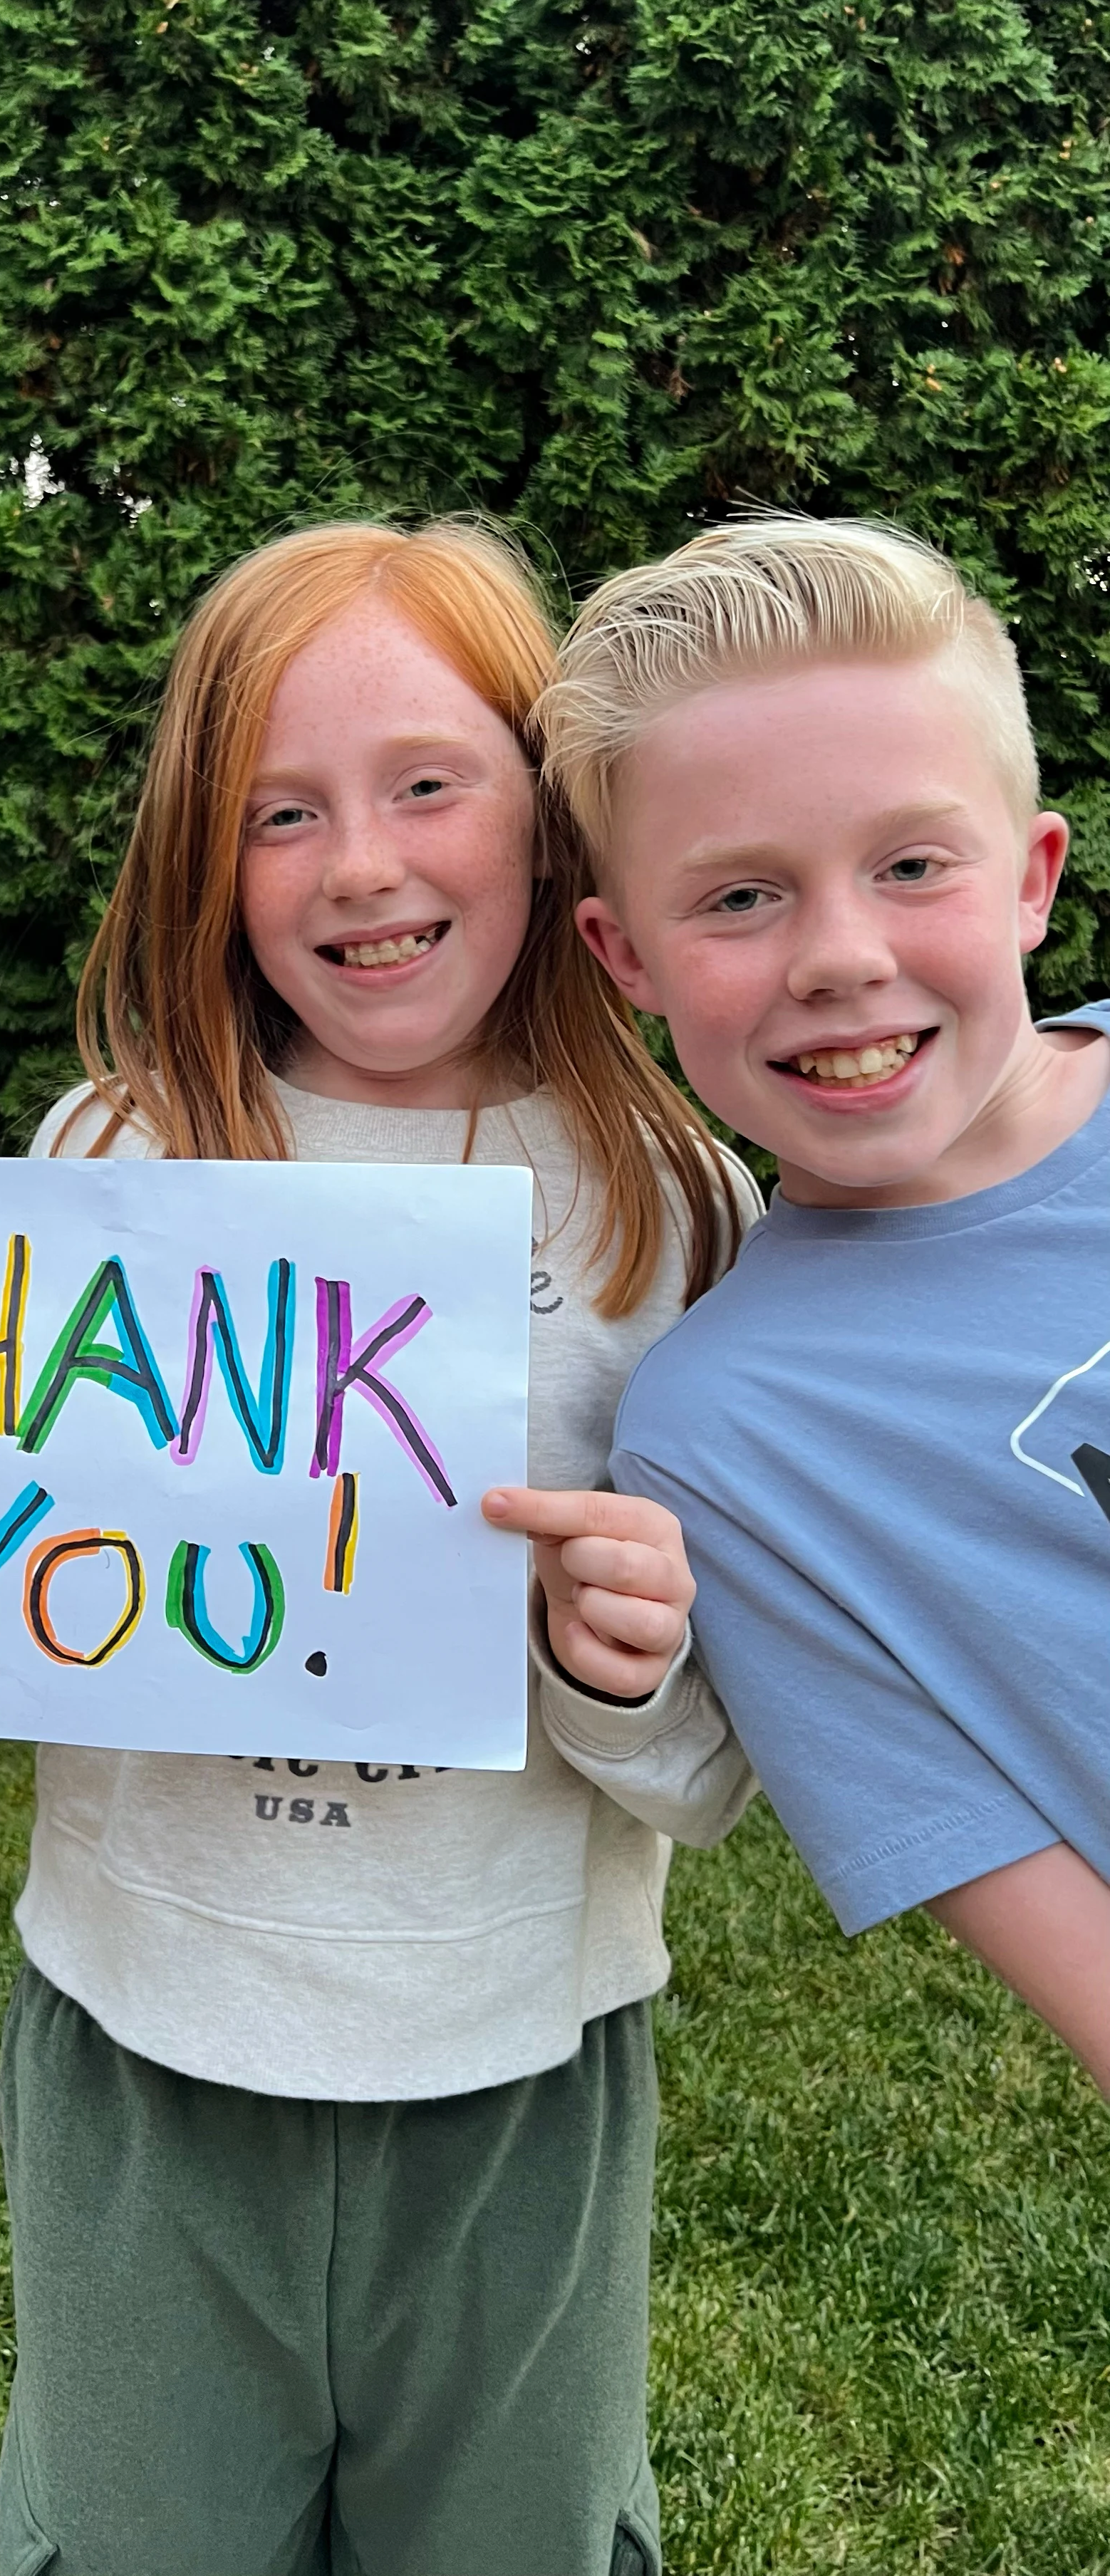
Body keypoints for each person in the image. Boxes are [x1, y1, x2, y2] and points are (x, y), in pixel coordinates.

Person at [0, 518, 760, 2576]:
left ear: (550, 818)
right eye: (281, 811)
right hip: (143, 2043)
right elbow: (16, 1581)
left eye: (428, 784)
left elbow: (709, 1776)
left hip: (513, 2065)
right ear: (204, 852)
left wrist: (613, 1663)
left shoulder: (672, 1215)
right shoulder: (115, 1161)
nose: (360, 863)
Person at [536, 513, 1110, 2101]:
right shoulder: (729, 1447)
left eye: (912, 865)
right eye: (738, 901)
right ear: (624, 955)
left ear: (1032, 879)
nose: (841, 959)